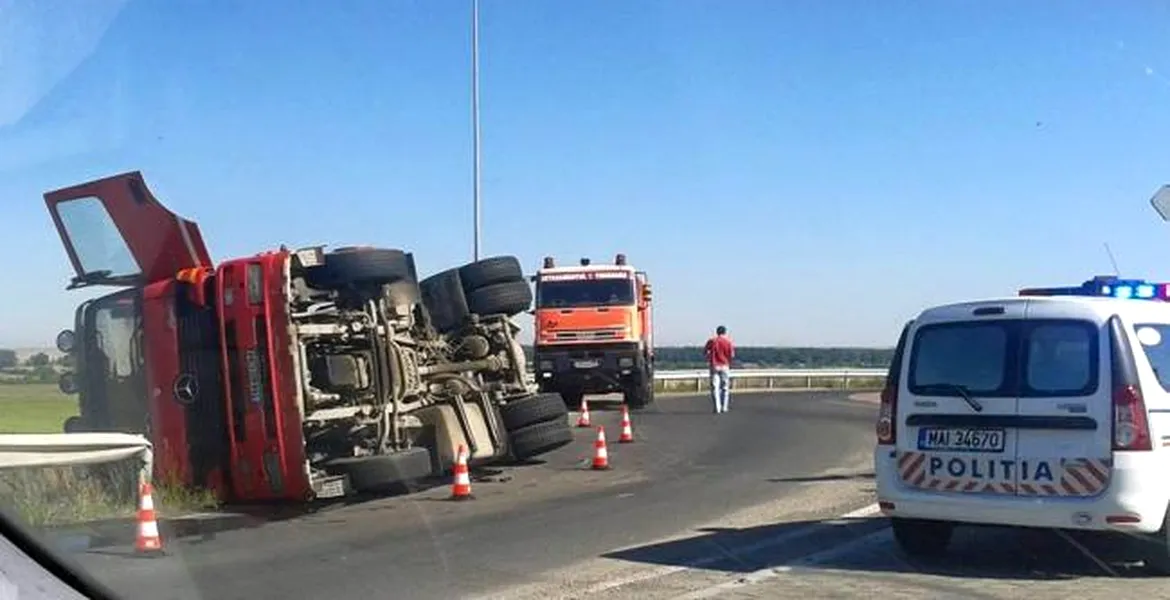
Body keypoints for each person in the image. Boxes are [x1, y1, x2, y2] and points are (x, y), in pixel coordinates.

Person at [704, 325, 735, 413]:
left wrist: (709, 357)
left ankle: (717, 407)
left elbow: (705, 351)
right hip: (725, 365)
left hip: (714, 365)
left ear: (717, 332)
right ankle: (724, 407)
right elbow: (732, 355)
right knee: (725, 387)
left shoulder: (712, 341)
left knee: (715, 387)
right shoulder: (728, 342)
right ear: (725, 332)